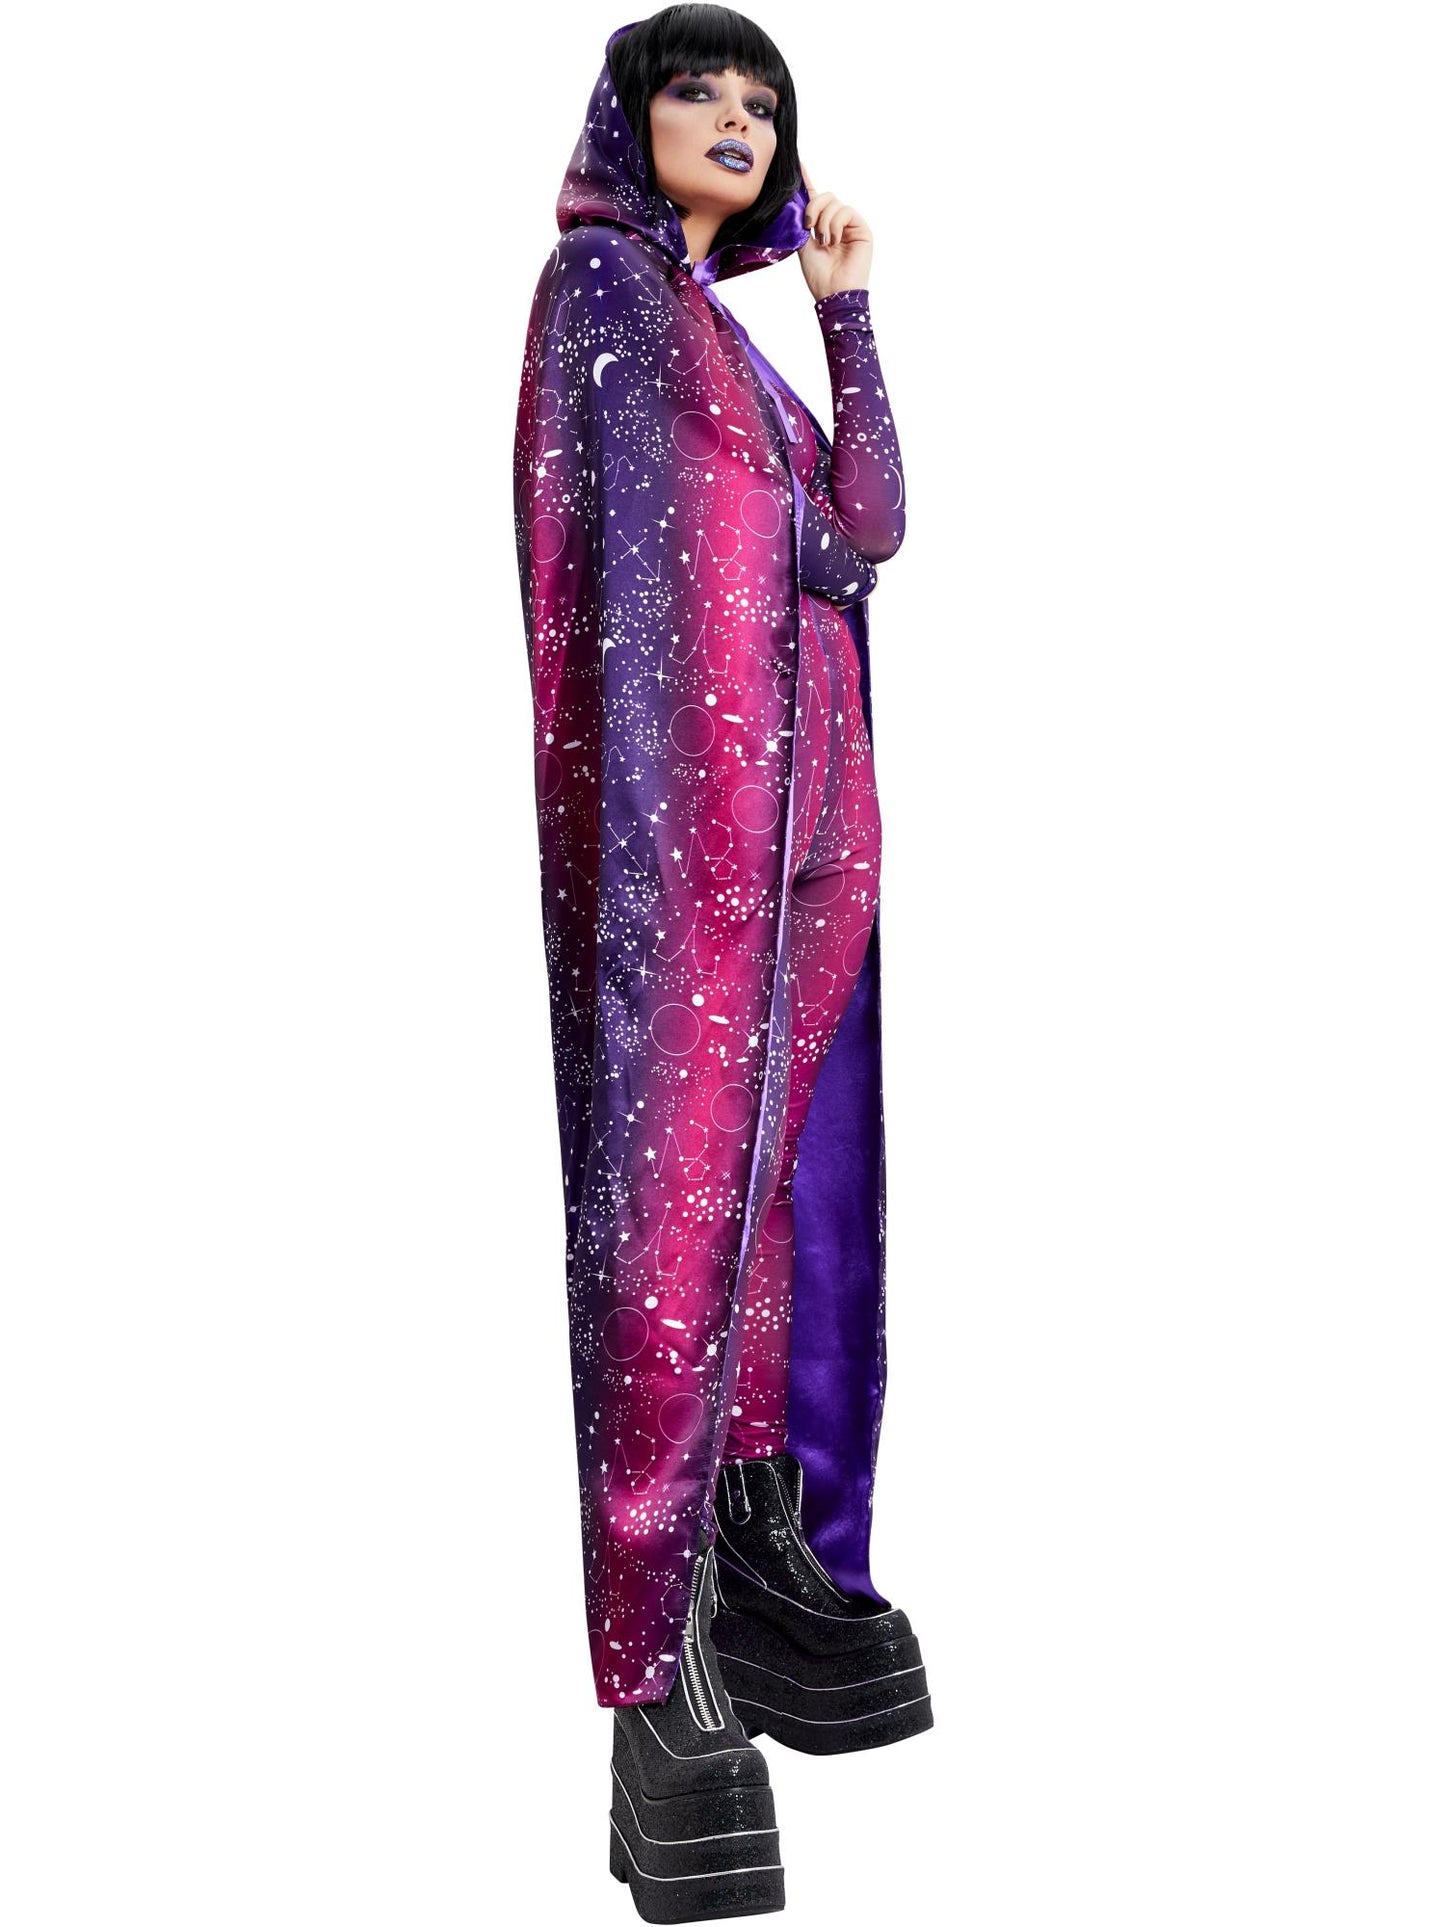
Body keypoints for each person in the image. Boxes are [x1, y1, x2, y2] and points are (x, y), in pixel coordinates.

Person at [513, 11, 931, 1916]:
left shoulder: (736, 343)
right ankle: (650, 1653)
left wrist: (845, 315)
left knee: (775, 1204)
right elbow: (675, 559)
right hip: (691, 842)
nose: (739, 121)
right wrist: (804, 556)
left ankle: (756, 1557)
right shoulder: (600, 295)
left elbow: (867, 529)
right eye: (701, 91)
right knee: (668, 1227)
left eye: (763, 103)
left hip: (814, 826)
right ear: (630, 116)